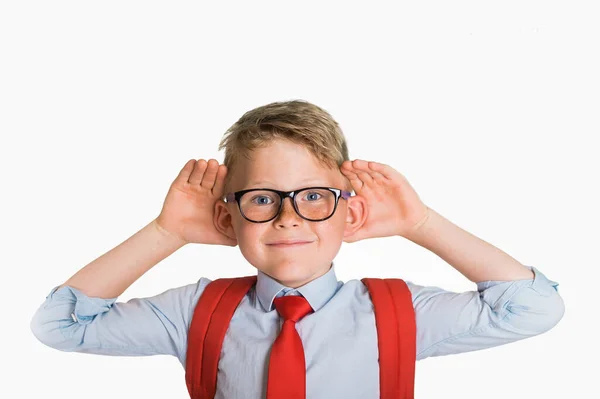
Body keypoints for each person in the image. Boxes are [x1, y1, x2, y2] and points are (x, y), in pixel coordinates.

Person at [30, 99, 565, 398]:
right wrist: (165, 233)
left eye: (313, 197)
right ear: (227, 216)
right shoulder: (194, 313)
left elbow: (533, 307)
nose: (288, 217)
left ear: (349, 212)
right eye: (262, 198)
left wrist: (420, 223)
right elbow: (59, 325)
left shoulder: (398, 315)